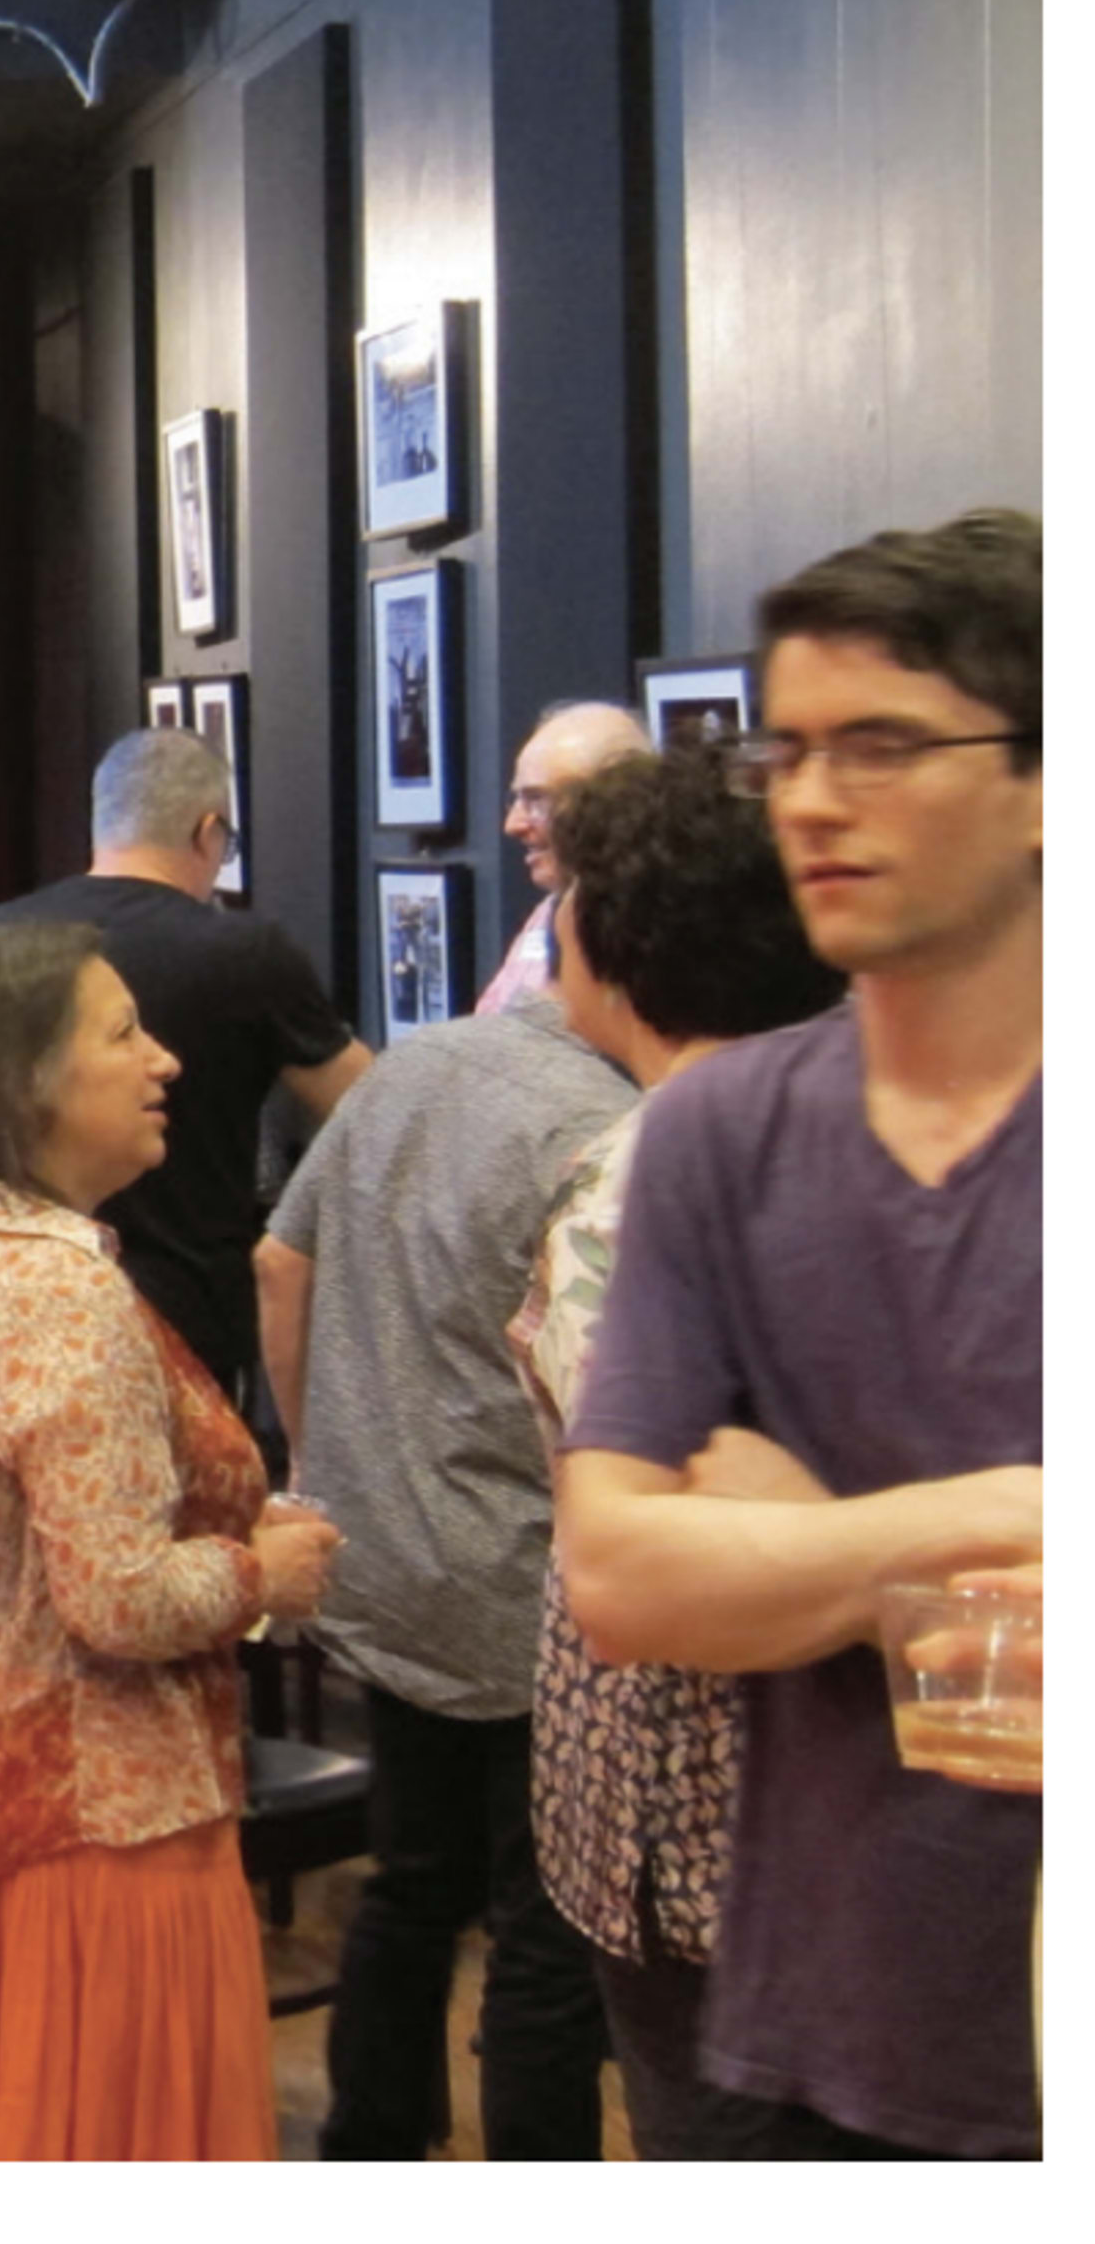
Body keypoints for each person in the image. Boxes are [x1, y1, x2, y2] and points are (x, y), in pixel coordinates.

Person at [556, 509, 1043, 2159]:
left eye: (885, 744)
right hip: (810, 2028)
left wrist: (799, 1543)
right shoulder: (723, 1135)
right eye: (794, 749)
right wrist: (990, 1516)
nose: (818, 799)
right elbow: (623, 1575)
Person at [0, 922, 342, 2159]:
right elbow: (115, 1599)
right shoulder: (59, 1291)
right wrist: (259, 1571)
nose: (164, 1059)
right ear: (26, 1082)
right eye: (123, 1034)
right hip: (98, 1839)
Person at [253, 886, 637, 2159]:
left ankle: (370, 2143)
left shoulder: (416, 1063)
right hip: (529, 1582)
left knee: (410, 1885)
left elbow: (279, 1259)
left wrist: (318, 1456)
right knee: (544, 1934)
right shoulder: (605, 1125)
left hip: (386, 1556)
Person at [501, 745, 846, 2157]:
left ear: (616, 939)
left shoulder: (648, 1172)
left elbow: (650, 1535)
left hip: (699, 1808)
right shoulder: (847, 1119)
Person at [0, 727, 369, 1432]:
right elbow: (369, 1109)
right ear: (208, 833)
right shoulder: (244, 952)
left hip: (10, 1303)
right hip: (186, 1319)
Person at [474, 702, 651, 1013]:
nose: (513, 825)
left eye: (537, 800)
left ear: (617, 800)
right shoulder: (551, 912)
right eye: (516, 799)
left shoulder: (661, 931)